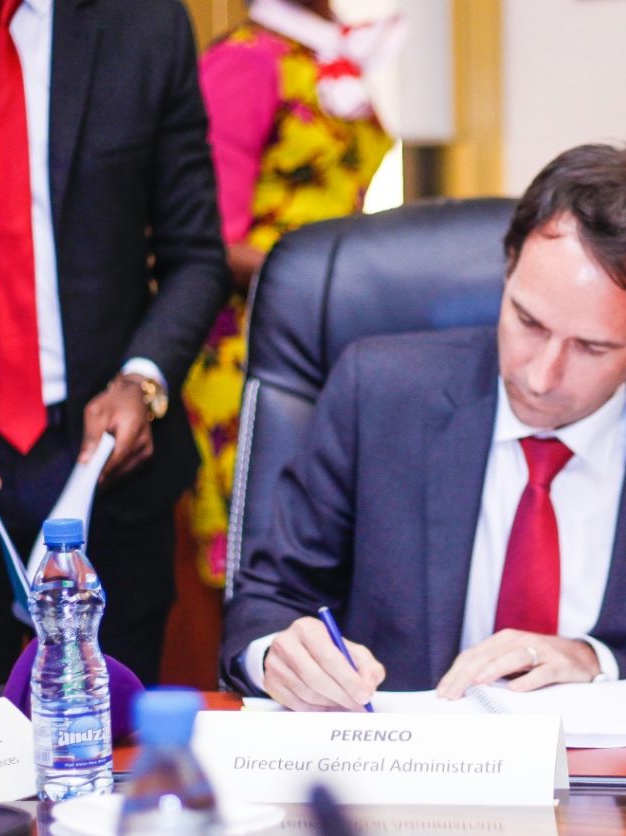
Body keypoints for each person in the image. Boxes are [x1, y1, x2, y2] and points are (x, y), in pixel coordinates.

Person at [221, 143, 626, 709]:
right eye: (528, 321)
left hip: (612, 769)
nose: (541, 377)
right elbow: (268, 602)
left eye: (591, 347)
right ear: (509, 266)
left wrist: (600, 664)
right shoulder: (375, 396)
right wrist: (277, 655)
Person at [0, 0, 230, 687]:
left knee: (105, 736)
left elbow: (196, 256)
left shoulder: (144, 23)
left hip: (107, 461)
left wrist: (143, 379)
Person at [182, 0, 398, 587]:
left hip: (332, 335)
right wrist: (335, 283)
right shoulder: (244, 64)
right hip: (255, 348)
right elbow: (211, 240)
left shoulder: (324, 52)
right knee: (264, 558)